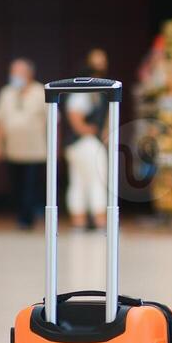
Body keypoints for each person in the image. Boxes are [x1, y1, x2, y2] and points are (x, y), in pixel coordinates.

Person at [0, 58, 46, 230]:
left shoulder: (41, 91)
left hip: (35, 150)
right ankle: (22, 215)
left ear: (29, 74)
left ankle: (27, 218)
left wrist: (55, 147)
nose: (14, 76)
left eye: (18, 72)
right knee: (17, 186)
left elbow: (54, 121)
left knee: (31, 185)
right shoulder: (6, 93)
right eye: (12, 72)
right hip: (13, 150)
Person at [65, 48, 109, 230]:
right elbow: (75, 118)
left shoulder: (101, 92)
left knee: (79, 181)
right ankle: (99, 219)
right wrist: (91, 131)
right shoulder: (82, 91)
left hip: (85, 143)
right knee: (97, 179)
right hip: (84, 143)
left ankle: (79, 220)